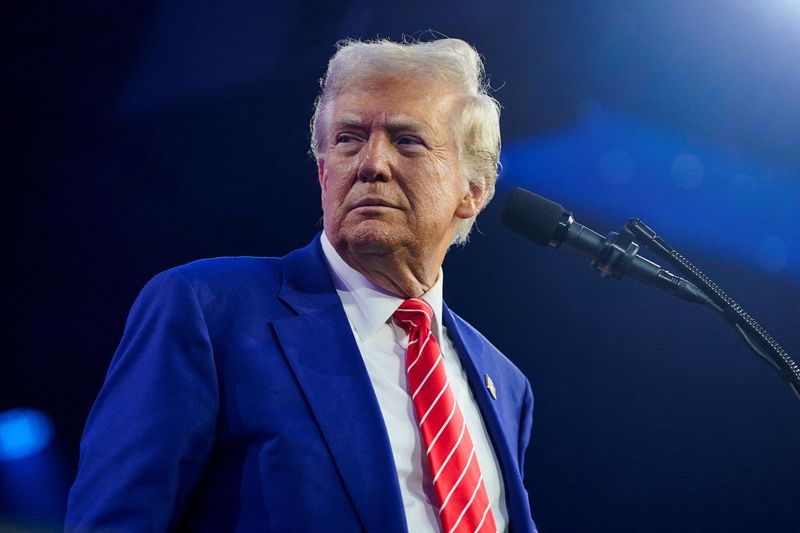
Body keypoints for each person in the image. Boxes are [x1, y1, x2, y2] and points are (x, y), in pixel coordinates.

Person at [66, 37, 538, 532]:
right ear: (322, 172)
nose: (370, 164)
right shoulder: (208, 308)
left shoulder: (503, 383)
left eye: (407, 140)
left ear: (473, 191)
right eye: (348, 139)